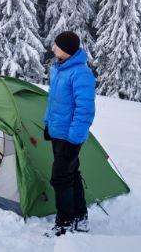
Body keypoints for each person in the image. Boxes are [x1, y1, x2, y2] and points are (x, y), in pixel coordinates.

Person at [43, 31, 96, 237]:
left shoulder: (81, 74)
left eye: (56, 45)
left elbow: (85, 110)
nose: (53, 48)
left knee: (60, 178)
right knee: (71, 174)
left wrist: (74, 139)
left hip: (70, 136)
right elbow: (52, 101)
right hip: (58, 133)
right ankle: (80, 218)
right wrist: (48, 124)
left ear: (66, 49)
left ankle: (64, 223)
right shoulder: (58, 68)